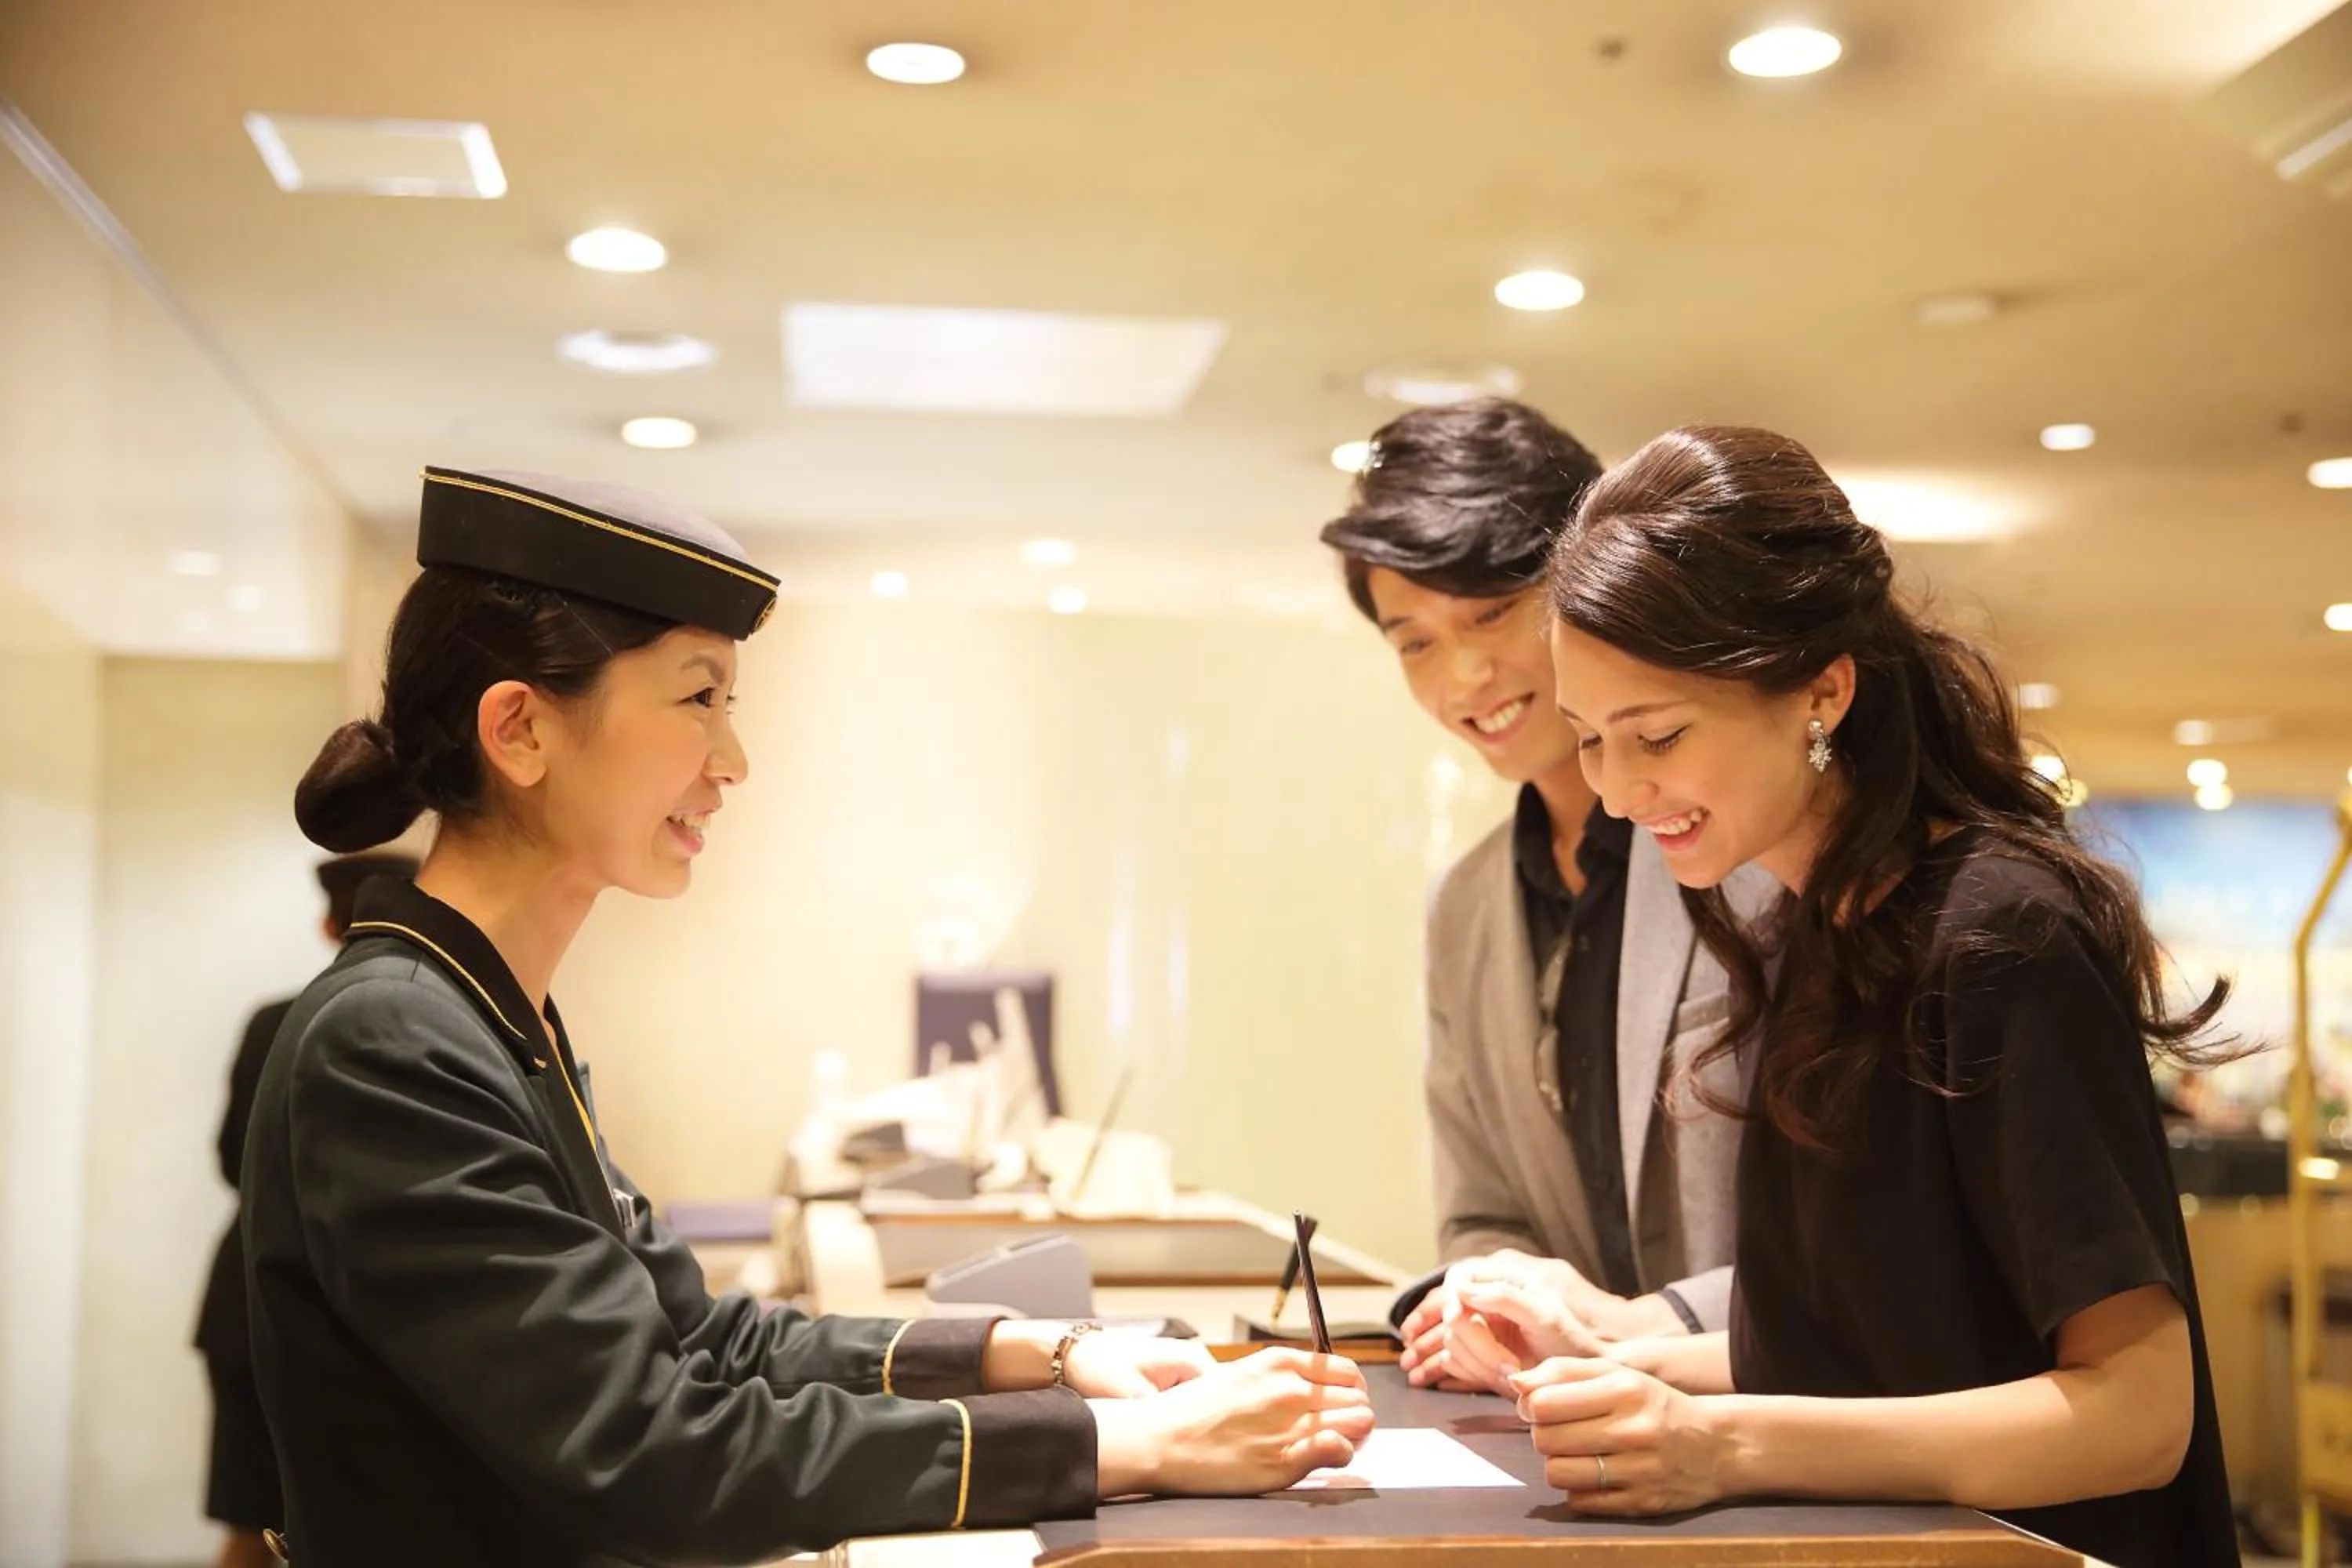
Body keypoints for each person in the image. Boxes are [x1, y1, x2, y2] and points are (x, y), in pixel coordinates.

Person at [241, 466, 1373, 1567]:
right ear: (522, 730)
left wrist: (1046, 1353)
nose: (731, 760)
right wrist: (1128, 1446)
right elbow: (651, 1456)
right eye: (698, 699)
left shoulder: (478, 1013)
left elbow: (701, 1339)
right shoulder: (393, 1040)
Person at [1471, 426, 2236, 1567]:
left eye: (1660, 737)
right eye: (1590, 743)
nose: (1623, 794)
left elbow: (2138, 1416)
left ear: (1823, 692)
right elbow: (1857, 1344)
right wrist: (1601, 1361)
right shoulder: (1814, 926)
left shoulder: (1999, 936)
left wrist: (1724, 1446)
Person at [1317, 399, 1776, 1391]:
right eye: (1415, 642)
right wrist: (1482, 1301)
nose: (1465, 676)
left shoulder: (1751, 845)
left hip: (1792, 1413)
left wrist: (1641, 1329)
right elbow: (1481, 1207)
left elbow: (1874, 1237)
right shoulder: (1468, 903)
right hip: (1583, 1440)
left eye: (1491, 612)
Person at [193, 851, 416, 1568]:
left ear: (329, 925)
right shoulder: (421, 1025)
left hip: (250, 1294)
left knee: (249, 1517)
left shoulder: (273, 1025)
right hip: (355, 1309)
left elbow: (233, 1160)